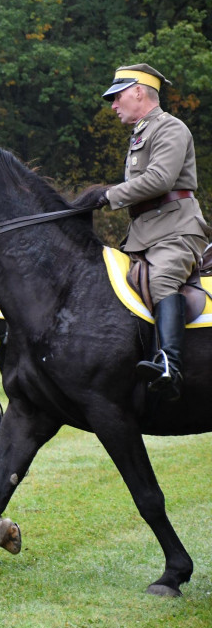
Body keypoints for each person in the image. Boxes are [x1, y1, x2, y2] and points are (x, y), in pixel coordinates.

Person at [87, 63, 211, 401]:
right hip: (144, 233)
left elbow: (160, 179)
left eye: (118, 97)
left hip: (177, 231)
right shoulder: (141, 133)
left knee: (161, 281)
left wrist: (108, 195)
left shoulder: (170, 127)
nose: (114, 105)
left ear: (139, 91)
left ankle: (169, 365)